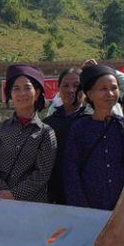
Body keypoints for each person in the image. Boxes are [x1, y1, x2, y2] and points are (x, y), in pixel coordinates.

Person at [60, 65, 124, 211]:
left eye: (114, 88)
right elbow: (71, 171)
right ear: (90, 94)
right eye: (103, 89)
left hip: (123, 209)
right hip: (88, 210)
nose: (110, 93)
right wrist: (82, 208)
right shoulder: (79, 129)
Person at [0, 64, 55, 203]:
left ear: (37, 93)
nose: (22, 93)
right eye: (16, 88)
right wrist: (2, 193)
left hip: (32, 206)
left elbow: (42, 174)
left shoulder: (46, 133)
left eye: (27, 88)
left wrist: (14, 195)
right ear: (10, 93)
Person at [43, 64, 84, 204]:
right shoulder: (49, 123)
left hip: (84, 193)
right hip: (55, 193)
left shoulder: (91, 120)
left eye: (76, 85)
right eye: (65, 86)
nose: (71, 90)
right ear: (59, 89)